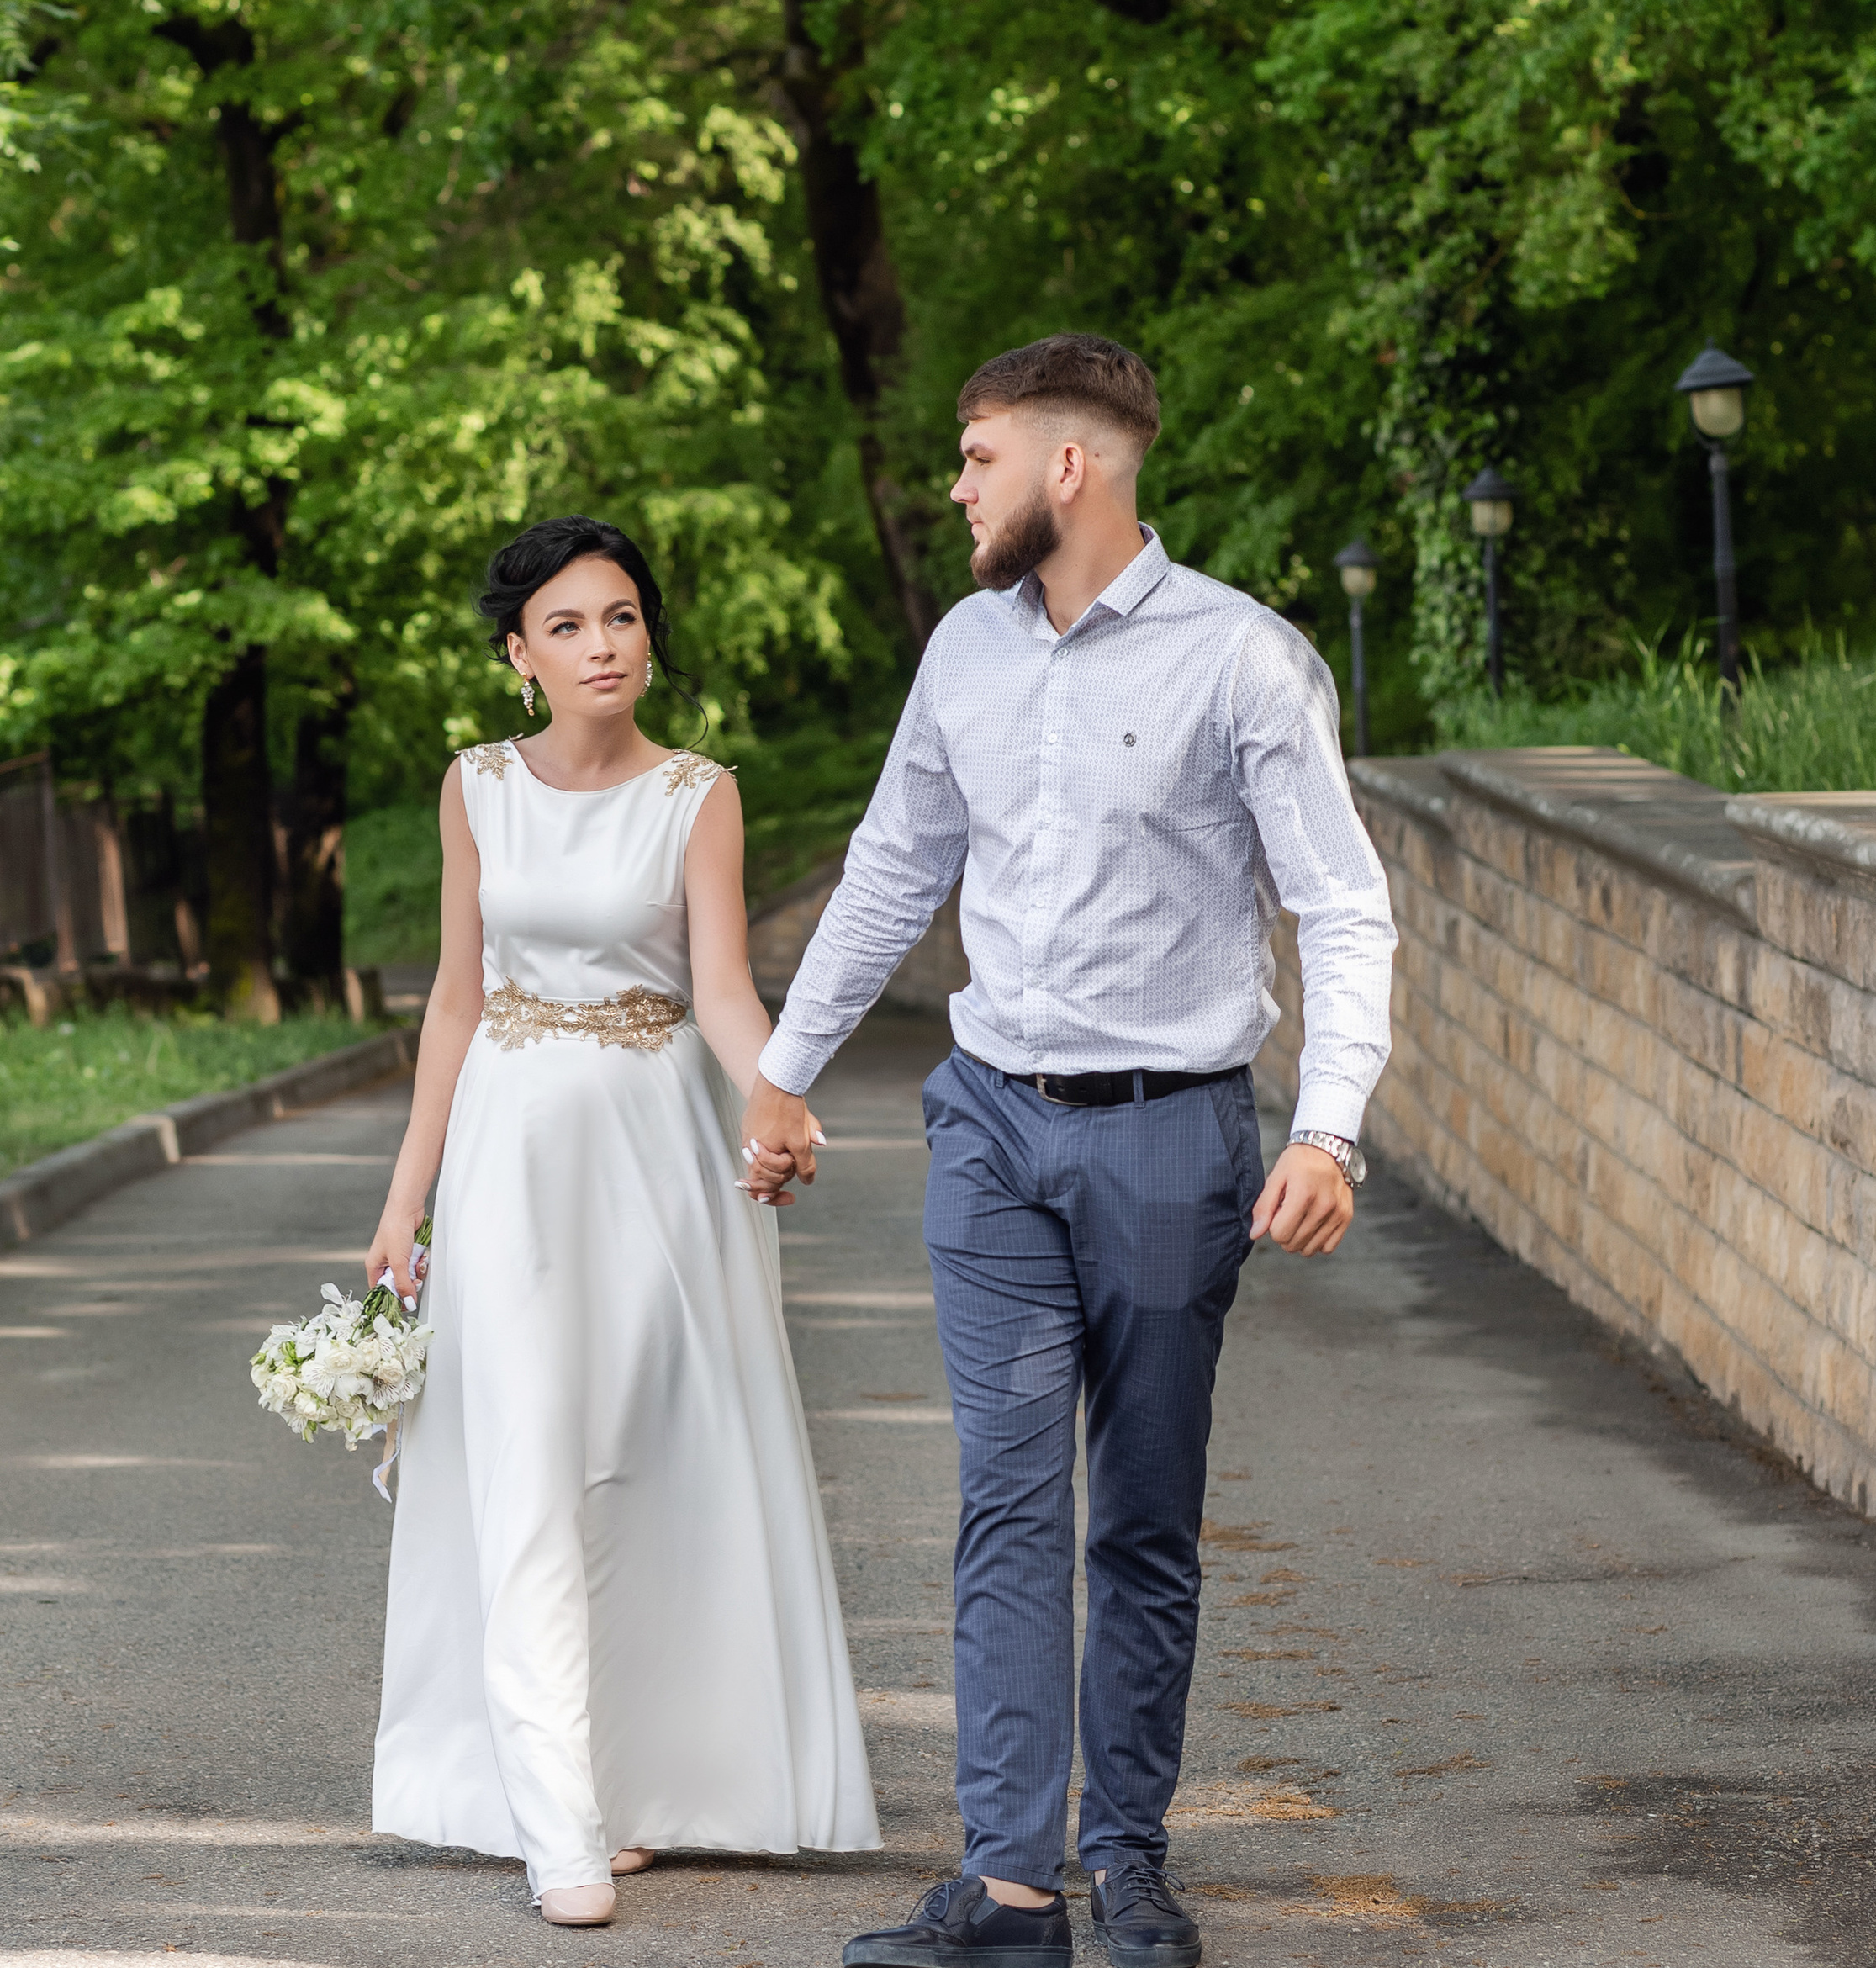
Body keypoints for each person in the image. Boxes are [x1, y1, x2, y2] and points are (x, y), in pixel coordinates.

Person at [738, 336, 1397, 1967]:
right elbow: (892, 867)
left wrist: (1327, 1123)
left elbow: (1338, 896)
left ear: (1067, 465)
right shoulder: (962, 649)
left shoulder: (1241, 659)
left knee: (1142, 1517)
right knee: (1008, 1505)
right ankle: (1013, 1887)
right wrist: (780, 1070)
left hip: (1173, 1137)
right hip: (988, 1124)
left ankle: (1129, 1854)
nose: (953, 487)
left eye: (974, 456)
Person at [364, 516, 880, 1928]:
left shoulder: (697, 795)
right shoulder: (476, 788)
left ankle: (631, 1786)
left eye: (625, 618)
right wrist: (408, 1198)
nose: (605, 646)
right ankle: (555, 1824)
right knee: (524, 1457)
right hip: (516, 1151)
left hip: (659, 1153)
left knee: (652, 1459)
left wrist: (777, 1099)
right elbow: (457, 1002)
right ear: (519, 657)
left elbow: (720, 986)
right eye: (572, 626)